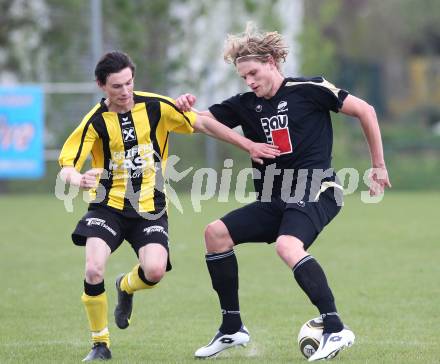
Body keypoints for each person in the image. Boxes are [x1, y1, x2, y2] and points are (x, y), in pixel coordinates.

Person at [175, 23, 391, 361]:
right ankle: (232, 328)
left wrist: (378, 165)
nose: (249, 81)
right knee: (215, 234)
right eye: (243, 76)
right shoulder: (246, 104)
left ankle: (335, 329)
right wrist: (189, 111)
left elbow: (366, 111)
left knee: (287, 245)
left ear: (273, 62)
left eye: (254, 73)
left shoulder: (310, 88)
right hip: (275, 199)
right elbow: (200, 121)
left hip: (319, 188)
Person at [58, 51, 279, 361]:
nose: (125, 92)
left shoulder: (156, 107)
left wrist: (248, 145)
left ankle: (126, 286)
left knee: (155, 270)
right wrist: (77, 179)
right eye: (117, 87)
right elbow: (66, 164)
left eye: (129, 83)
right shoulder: (94, 122)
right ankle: (100, 344)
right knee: (94, 269)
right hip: (107, 207)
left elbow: (203, 123)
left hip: (150, 207)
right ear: (101, 86)